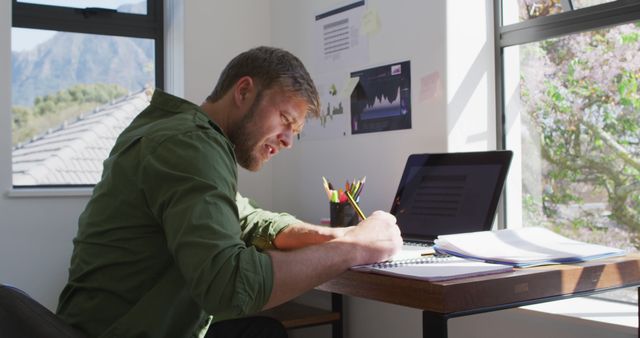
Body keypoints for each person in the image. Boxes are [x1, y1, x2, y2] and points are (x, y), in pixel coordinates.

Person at [56, 46, 402, 338]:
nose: (287, 140)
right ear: (243, 92)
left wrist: (338, 235)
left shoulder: (176, 133)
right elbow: (229, 285)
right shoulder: (190, 144)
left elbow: (247, 219)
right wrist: (356, 249)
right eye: (285, 119)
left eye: (295, 130)